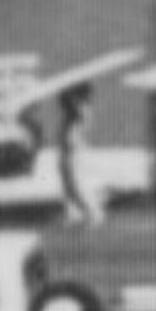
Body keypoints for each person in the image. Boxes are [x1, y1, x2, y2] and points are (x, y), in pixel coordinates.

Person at [47, 78, 98, 228]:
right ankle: (73, 214)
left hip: (73, 150)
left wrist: (65, 91)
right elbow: (65, 102)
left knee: (74, 185)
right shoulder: (78, 107)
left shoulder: (82, 109)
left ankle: (92, 213)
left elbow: (67, 104)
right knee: (66, 186)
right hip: (66, 149)